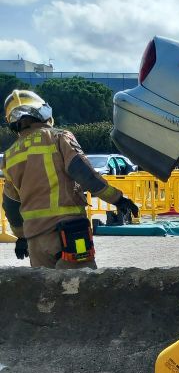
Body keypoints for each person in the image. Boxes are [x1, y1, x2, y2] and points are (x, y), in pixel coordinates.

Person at [2, 89, 138, 269]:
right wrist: (117, 199)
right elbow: (84, 174)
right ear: (43, 112)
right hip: (70, 233)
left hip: (36, 242)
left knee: (48, 294)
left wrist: (20, 236)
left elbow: (10, 203)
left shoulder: (10, 155)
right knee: (82, 291)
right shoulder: (58, 137)